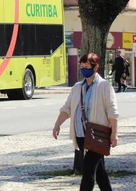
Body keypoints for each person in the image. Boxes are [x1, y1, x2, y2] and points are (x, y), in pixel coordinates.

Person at [52, 52, 119, 191]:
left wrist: (114, 133)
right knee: (99, 172)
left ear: (95, 67)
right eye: (81, 66)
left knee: (88, 171)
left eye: (87, 66)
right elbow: (67, 108)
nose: (83, 69)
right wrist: (57, 124)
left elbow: (112, 111)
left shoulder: (104, 86)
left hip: (98, 136)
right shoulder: (77, 87)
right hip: (81, 135)